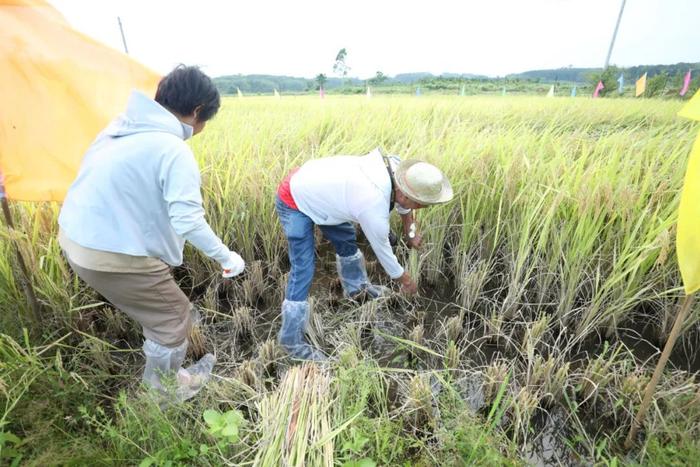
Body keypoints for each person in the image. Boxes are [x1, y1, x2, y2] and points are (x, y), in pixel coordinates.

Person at [58, 65, 245, 400]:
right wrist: (226, 257)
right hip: (112, 256)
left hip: (76, 243)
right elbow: (188, 220)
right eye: (204, 121)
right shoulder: (172, 149)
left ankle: (169, 374)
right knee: (174, 318)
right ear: (197, 112)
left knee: (161, 311)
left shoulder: (119, 129)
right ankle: (161, 397)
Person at [275, 148, 454, 360]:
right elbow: (384, 251)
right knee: (304, 267)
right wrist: (406, 281)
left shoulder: (399, 171)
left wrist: (409, 229)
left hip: (327, 194)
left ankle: (357, 289)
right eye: (420, 205)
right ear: (406, 195)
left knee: (346, 239)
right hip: (295, 198)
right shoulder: (373, 204)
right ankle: (290, 341)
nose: (421, 208)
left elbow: (405, 204)